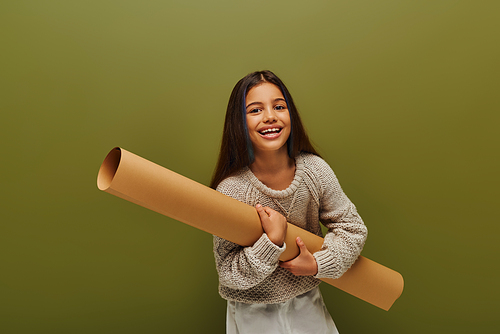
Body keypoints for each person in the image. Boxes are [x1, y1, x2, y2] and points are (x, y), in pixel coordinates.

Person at [210, 70, 367, 334]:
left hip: (308, 306)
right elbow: (228, 272)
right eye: (255, 110)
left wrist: (319, 264)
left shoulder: (315, 171)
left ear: (290, 114)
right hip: (252, 314)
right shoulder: (231, 190)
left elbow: (352, 228)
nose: (270, 116)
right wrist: (270, 244)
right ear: (239, 122)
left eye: (279, 106)